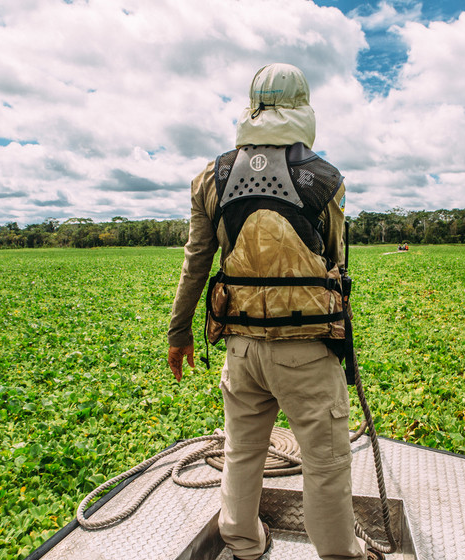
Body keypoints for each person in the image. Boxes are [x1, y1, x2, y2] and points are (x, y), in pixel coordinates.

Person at [168, 63, 381, 560]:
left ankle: (243, 543)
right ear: (304, 107)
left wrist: (179, 333)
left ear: (252, 107)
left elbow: (196, 260)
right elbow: (335, 260)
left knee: (242, 451)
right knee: (324, 463)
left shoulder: (210, 176)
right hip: (306, 351)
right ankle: (340, 555)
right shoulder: (327, 179)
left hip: (241, 350)